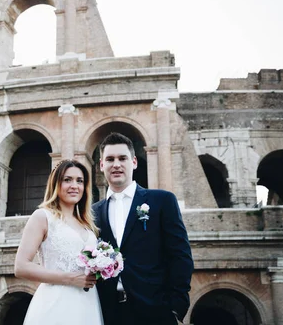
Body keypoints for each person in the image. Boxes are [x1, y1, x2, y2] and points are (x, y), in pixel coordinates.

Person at [92, 132, 194, 325]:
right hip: (109, 313)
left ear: (134, 162)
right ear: (101, 165)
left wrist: (175, 306)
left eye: (122, 158)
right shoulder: (93, 212)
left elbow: (180, 255)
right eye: (110, 159)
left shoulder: (162, 200)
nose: (116, 164)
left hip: (155, 310)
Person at [15, 159, 104, 324]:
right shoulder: (42, 217)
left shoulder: (87, 224)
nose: (74, 185)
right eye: (67, 180)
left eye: (80, 181)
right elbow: (21, 266)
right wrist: (70, 279)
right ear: (56, 184)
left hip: (87, 303)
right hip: (56, 301)